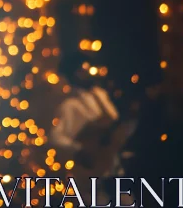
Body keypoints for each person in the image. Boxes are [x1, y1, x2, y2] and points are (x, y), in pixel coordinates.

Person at [49, 60, 136, 206]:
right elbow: (56, 136)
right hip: (93, 171)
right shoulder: (70, 105)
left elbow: (114, 120)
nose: (86, 72)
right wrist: (80, 149)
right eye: (81, 69)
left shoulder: (100, 94)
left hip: (113, 164)